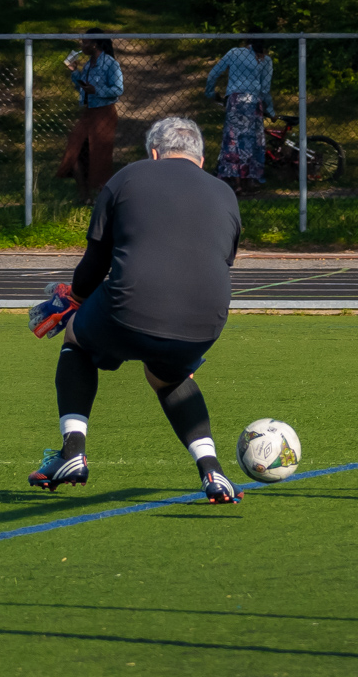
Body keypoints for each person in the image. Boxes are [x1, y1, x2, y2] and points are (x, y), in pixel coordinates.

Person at [25, 116, 245, 504]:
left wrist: (72, 300)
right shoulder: (224, 192)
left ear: (154, 153)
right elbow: (217, 260)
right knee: (168, 376)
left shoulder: (129, 177)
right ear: (201, 157)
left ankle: (72, 453)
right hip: (208, 319)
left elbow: (96, 261)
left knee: (76, 339)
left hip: (131, 307)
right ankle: (212, 469)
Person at [57, 29, 123, 202]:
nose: (82, 45)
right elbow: (82, 88)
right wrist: (74, 71)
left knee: (99, 156)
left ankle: (101, 198)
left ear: (95, 44)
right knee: (74, 150)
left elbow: (118, 89)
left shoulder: (110, 64)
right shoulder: (88, 65)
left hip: (104, 113)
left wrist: (97, 90)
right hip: (89, 112)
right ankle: (84, 196)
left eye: (85, 42)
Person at [205, 38, 274, 195]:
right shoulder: (266, 60)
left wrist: (210, 92)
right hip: (254, 102)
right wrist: (270, 110)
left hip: (235, 101)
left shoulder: (235, 53)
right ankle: (249, 180)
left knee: (233, 140)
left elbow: (213, 74)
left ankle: (235, 183)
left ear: (246, 40)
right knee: (252, 141)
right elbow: (265, 89)